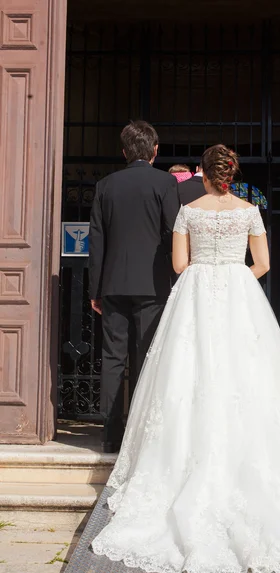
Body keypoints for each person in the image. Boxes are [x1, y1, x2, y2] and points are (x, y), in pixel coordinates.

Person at [91, 144, 280, 573]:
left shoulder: (188, 211)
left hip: (195, 294)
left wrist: (207, 271)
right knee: (247, 374)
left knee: (187, 376)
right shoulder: (250, 212)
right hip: (240, 297)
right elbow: (264, 264)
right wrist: (232, 275)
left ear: (204, 173)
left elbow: (179, 265)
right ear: (232, 174)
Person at [88, 120, 180, 453]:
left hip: (113, 284)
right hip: (153, 284)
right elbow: (175, 231)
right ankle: (141, 440)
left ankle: (110, 436)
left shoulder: (106, 185)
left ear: (124, 151)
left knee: (112, 360)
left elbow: (96, 240)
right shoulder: (165, 183)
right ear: (155, 150)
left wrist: (95, 289)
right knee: (147, 358)